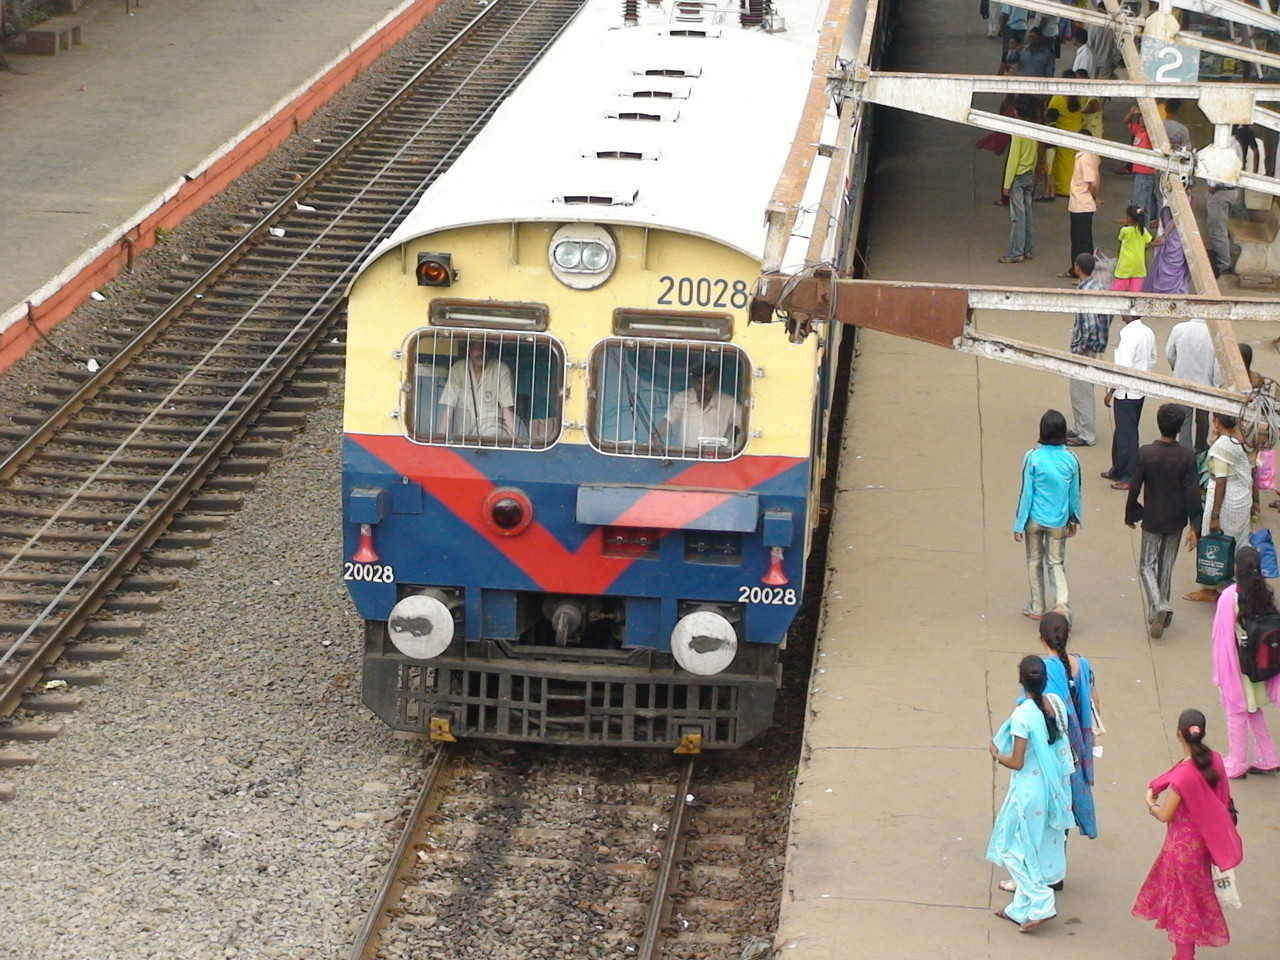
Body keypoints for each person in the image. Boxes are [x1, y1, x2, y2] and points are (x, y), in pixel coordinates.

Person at [1132, 709, 1243, 960]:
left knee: (1184, 909)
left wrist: (1150, 802)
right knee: (1193, 904)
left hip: (1181, 852)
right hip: (1205, 846)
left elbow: (1165, 814)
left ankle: (1184, 956)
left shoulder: (1184, 777)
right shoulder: (1214, 759)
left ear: (1178, 735)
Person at [989, 656, 1073, 933]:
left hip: (1027, 793)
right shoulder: (1054, 704)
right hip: (1050, 789)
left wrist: (997, 755)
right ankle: (1019, 908)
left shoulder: (1023, 716)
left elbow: (1017, 761)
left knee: (1010, 847)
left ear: (1021, 680)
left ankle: (1041, 900)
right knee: (1031, 847)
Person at [1126, 404, 1204, 637]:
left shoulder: (1146, 453)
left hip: (1152, 516)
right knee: (1166, 565)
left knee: (1146, 565)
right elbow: (1192, 492)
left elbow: (1135, 486)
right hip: (1176, 519)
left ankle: (1159, 606)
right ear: (1180, 428)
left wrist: (1131, 512)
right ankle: (1160, 612)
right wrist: (1195, 524)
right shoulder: (1187, 456)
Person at [1209, 546, 1280, 779]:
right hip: (1260, 664)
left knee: (1236, 710)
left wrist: (1221, 672)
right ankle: (1268, 757)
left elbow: (1222, 636)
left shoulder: (1230, 595)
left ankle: (1237, 761)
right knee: (1252, 708)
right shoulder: (1264, 592)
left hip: (1238, 665)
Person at [1036, 613, 1100, 840]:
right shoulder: (1083, 665)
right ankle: (1058, 862)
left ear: (1041, 638)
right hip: (1077, 747)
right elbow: (1094, 705)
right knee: (1066, 799)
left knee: (1048, 803)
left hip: (1052, 745)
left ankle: (1050, 865)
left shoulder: (1040, 669)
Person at [1014, 410, 1083, 620]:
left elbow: (1026, 493)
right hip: (1058, 522)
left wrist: (1019, 524)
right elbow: (1075, 495)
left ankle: (1037, 606)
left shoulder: (1032, 457)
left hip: (1034, 520)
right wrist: (1074, 518)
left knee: (1034, 560)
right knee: (1056, 563)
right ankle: (1061, 604)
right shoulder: (1071, 459)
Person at [1185, 413, 1253, 603]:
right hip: (1240, 501)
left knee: (1214, 543)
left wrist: (1214, 516)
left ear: (1216, 421)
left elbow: (1220, 481)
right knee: (1237, 543)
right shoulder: (1237, 441)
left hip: (1225, 504)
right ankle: (1238, 586)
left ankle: (1211, 590)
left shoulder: (1220, 448)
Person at [1102, 309, 1156, 489]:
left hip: (1126, 391)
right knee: (1123, 430)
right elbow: (1153, 358)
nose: (1120, 314)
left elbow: (1122, 367)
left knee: (1127, 435)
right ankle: (1118, 468)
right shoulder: (1148, 332)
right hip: (1139, 390)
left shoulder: (1128, 334)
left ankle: (1128, 476)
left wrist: (1111, 390)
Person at [1066, 253, 1111, 447]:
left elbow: (1090, 325)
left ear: (1077, 267)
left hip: (1084, 349)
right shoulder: (1098, 286)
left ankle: (1086, 433)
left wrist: (1081, 347)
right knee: (1081, 389)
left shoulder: (1085, 292)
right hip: (1094, 346)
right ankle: (1080, 427)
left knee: (1080, 390)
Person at [652, 361, 743, 454]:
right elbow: (667, 421)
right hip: (687, 456)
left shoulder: (729, 403)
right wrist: (655, 438)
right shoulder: (682, 398)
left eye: (708, 382)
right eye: (699, 382)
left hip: (720, 459)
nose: (704, 387)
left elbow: (747, 427)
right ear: (693, 382)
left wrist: (737, 446)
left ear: (715, 383)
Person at [438, 339, 517, 442]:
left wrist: (512, 440)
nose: (481, 353)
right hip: (463, 440)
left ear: (490, 350)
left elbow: (507, 410)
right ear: (469, 349)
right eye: (476, 348)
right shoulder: (458, 369)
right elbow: (449, 409)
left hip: (493, 440)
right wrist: (439, 439)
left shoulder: (501, 370)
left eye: (485, 348)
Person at [1166, 317, 1217, 454]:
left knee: (1184, 420)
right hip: (1205, 384)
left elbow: (1169, 353)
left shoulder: (1179, 328)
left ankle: (1185, 453)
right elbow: (1217, 363)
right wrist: (1216, 384)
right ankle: (1201, 447)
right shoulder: (1213, 332)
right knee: (1203, 419)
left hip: (1183, 381)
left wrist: (1176, 368)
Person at [999, 99, 1039, 263]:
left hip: (1018, 176)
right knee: (1028, 213)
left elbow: (1013, 158)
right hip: (1029, 174)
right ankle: (1028, 249)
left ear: (1016, 112)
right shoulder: (1033, 129)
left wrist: (1006, 184)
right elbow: (1035, 153)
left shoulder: (1018, 131)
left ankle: (1016, 252)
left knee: (1018, 217)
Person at [1063, 132, 1101, 276]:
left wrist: (1094, 197)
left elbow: (1091, 182)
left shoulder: (1085, 157)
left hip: (1082, 204)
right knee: (1078, 240)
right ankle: (1075, 270)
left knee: (1082, 242)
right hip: (1079, 204)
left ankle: (1084, 273)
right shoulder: (1087, 155)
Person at [1047, 81, 1085, 200]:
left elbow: (1050, 113)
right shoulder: (1077, 99)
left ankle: (1063, 189)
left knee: (1062, 165)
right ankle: (1075, 187)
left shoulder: (1058, 99)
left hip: (1062, 136)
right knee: (1074, 164)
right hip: (1077, 135)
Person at [1145, 206, 1191, 295]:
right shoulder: (1167, 209)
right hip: (1173, 240)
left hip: (1175, 239)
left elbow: (1177, 218)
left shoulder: (1178, 207)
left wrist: (1164, 236)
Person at [1126, 107, 1160, 219]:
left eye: (1143, 117)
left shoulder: (1151, 135)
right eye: (1140, 117)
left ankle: (1141, 229)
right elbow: (1126, 122)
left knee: (1141, 202)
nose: (1140, 119)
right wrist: (1132, 113)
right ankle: (1140, 227)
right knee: (1140, 200)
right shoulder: (1139, 130)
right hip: (1139, 172)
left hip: (1145, 173)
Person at [1112, 204, 1153, 292]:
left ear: (1129, 218)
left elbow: (1120, 240)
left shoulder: (1124, 230)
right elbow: (1150, 242)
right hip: (1139, 266)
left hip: (1125, 265)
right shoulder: (1143, 231)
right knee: (1136, 292)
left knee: (1118, 291)